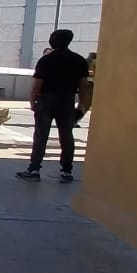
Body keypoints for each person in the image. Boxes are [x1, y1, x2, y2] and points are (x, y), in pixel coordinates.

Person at [17, 29, 91, 182]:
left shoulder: (46, 60)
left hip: (47, 100)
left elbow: (37, 85)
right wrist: (82, 105)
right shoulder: (79, 60)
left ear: (53, 41)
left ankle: (34, 169)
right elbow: (83, 86)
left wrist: (32, 102)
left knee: (41, 135)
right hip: (67, 100)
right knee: (67, 136)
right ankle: (66, 171)